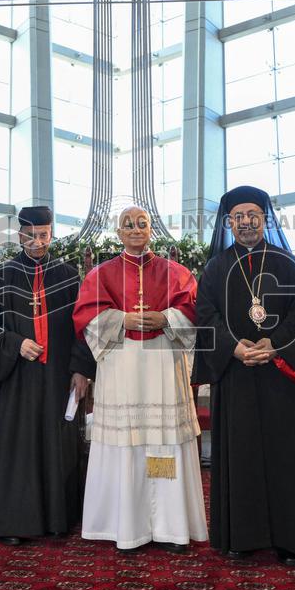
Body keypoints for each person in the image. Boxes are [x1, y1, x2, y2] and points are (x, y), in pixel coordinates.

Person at [192, 185, 295, 566]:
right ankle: (243, 536)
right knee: (241, 455)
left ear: (264, 219)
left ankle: (292, 540)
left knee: (287, 456)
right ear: (228, 222)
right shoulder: (215, 268)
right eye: (239, 217)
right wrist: (234, 347)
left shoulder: (288, 263)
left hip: (281, 376)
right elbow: (206, 315)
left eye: (253, 215)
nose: (246, 222)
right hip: (236, 375)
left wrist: (274, 344)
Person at [72, 206, 207, 552]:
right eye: (128, 225)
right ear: (118, 233)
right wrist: (122, 320)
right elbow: (86, 315)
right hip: (122, 364)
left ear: (151, 231)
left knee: (163, 442)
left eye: (141, 224)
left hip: (163, 362)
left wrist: (167, 317)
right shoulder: (100, 275)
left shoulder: (176, 272)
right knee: (126, 443)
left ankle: (169, 527)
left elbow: (195, 311)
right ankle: (125, 525)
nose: (135, 229)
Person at [0, 206, 95, 544]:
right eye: (30, 236)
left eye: (43, 235)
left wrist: (81, 369)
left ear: (51, 234)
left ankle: (58, 518)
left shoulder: (69, 275)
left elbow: (83, 327)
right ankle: (15, 520)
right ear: (19, 236)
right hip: (19, 376)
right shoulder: (1, 275)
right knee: (20, 443)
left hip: (60, 374)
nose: (37, 241)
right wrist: (15, 343)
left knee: (58, 442)